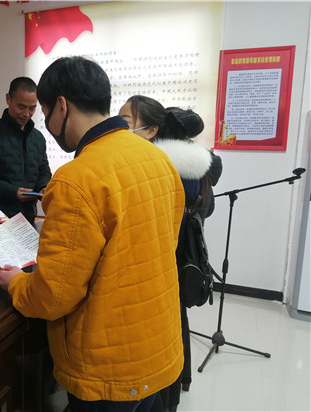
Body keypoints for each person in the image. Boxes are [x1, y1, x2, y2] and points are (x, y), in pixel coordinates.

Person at [0, 57, 186, 412]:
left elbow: (54, 296)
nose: (46, 124)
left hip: (107, 366)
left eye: (44, 112)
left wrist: (17, 284)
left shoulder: (76, 179)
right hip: (157, 347)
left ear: (62, 106)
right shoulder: (157, 159)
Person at [119, 95, 223, 412]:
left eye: (127, 121)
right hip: (185, 255)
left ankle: (167, 391)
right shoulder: (200, 166)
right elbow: (208, 209)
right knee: (177, 318)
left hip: (164, 255)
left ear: (157, 131)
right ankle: (180, 382)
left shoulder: (164, 167)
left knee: (164, 324)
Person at [0, 77, 52, 224]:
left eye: (32, 108)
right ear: (8, 99)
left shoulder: (38, 138)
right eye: (21, 107)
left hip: (28, 217)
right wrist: (13, 192)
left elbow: (43, 170)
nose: (26, 113)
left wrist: (43, 187)